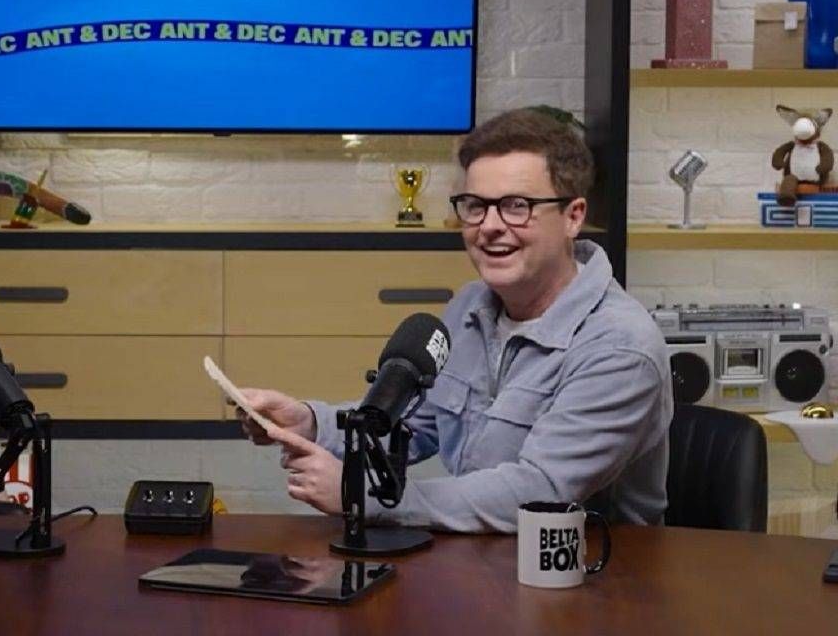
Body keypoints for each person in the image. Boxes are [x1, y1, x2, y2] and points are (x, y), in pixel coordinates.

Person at [238, 109, 673, 532]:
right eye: (475, 206)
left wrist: (364, 497)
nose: (489, 226)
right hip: (479, 562)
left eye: (516, 206)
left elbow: (540, 490)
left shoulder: (621, 347)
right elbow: (413, 423)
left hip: (594, 584)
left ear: (573, 217)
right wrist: (310, 422)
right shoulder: (470, 306)